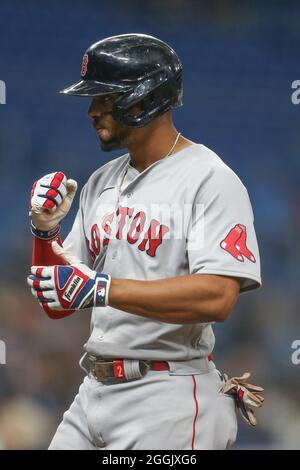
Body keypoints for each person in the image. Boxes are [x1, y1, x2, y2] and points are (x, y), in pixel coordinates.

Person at [27, 33, 263, 450]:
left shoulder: (209, 179)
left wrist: (101, 289)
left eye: (104, 97)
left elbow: (218, 297)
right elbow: (59, 301)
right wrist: (46, 232)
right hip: (92, 392)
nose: (91, 111)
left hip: (167, 395)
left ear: (144, 99)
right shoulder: (102, 181)